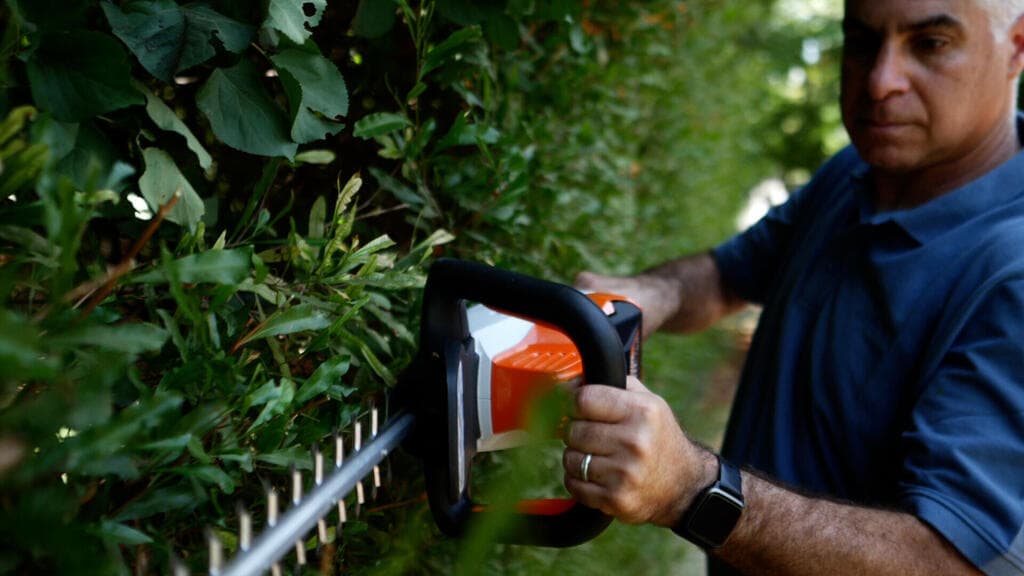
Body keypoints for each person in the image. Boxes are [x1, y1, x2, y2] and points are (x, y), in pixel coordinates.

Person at [562, 0, 1024, 574]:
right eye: (861, 41)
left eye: (929, 44)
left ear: (1018, 47)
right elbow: (729, 274)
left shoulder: (1014, 273)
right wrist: (651, 294)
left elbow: (948, 562)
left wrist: (691, 488)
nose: (880, 82)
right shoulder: (857, 171)